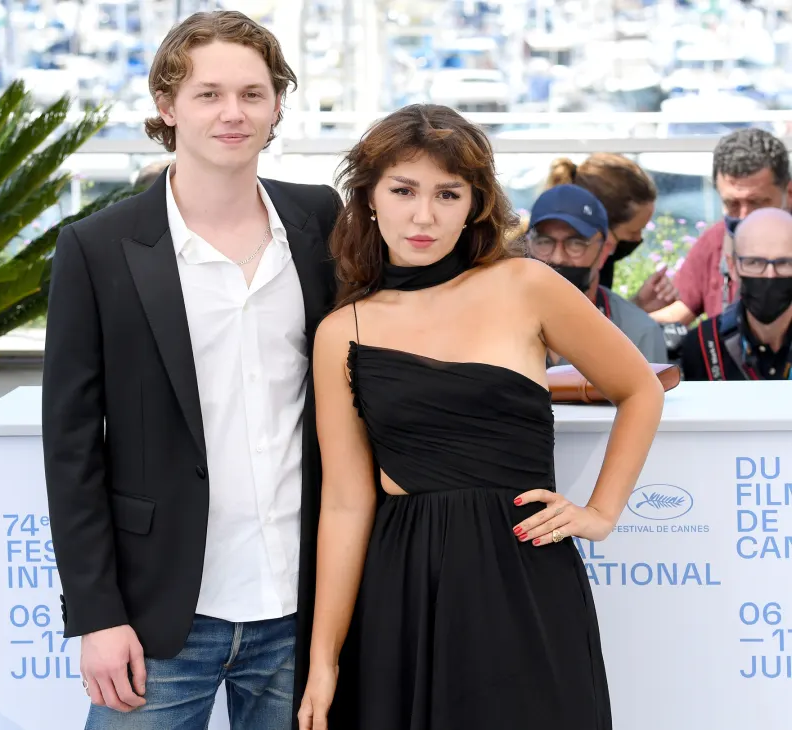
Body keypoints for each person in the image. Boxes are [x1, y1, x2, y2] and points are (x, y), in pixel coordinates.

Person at [297, 104, 665, 730]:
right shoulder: (343, 330)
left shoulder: (526, 284)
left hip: (522, 574)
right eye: (403, 190)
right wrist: (324, 658)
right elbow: (345, 504)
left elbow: (640, 388)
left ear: (474, 204)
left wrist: (600, 512)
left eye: (448, 193)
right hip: (402, 584)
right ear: (370, 197)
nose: (423, 215)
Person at [41, 10, 341, 730]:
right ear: (167, 107)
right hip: (159, 615)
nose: (232, 113)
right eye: (208, 94)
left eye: (253, 94)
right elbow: (71, 445)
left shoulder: (321, 221)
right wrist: (97, 616)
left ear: (276, 107)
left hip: (304, 607)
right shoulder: (97, 246)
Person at [652, 128, 792, 325]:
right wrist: (631, 316)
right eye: (732, 204)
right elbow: (679, 312)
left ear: (789, 192)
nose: (744, 216)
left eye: (757, 202)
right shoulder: (716, 240)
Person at [527, 184, 669, 364]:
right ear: (527, 244)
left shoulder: (636, 333)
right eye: (544, 242)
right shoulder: (498, 320)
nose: (558, 257)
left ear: (604, 251)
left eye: (575, 243)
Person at [545, 154, 677, 313]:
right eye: (633, 231)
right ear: (599, 227)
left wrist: (638, 305)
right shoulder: (559, 270)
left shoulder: (599, 262)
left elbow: (595, 322)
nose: (638, 239)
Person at [681, 207, 792, 381]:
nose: (770, 275)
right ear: (732, 267)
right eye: (754, 262)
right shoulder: (702, 345)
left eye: (785, 263)